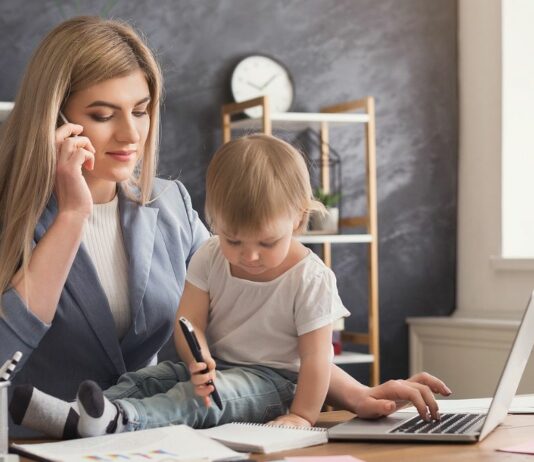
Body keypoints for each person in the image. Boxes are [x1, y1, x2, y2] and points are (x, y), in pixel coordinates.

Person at [3, 16, 450, 439]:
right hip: (37, 448)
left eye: (140, 111)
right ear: (56, 119)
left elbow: (257, 338)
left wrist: (356, 394)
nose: (130, 135)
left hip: (157, 444)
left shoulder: (170, 205)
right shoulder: (13, 212)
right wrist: (71, 216)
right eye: (103, 115)